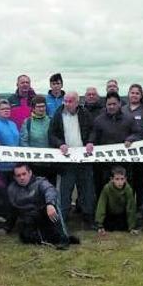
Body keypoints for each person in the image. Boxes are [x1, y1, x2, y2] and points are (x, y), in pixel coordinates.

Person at [7, 163, 79, 250]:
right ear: (15, 177)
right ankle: (52, 240)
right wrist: (7, 227)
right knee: (25, 237)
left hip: (44, 214)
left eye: (24, 174)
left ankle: (63, 238)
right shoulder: (11, 189)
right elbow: (12, 210)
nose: (22, 177)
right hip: (28, 218)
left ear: (30, 173)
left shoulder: (40, 182)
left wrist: (50, 204)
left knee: (53, 206)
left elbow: (50, 190)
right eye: (18, 175)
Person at [48, 91, 95, 224]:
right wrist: (60, 143)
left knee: (86, 189)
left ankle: (89, 217)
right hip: (66, 160)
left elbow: (93, 130)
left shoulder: (85, 114)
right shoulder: (58, 115)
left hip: (84, 159)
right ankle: (63, 217)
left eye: (70, 101)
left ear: (77, 102)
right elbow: (51, 134)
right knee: (64, 190)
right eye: (65, 101)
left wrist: (91, 141)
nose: (67, 104)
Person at [90, 91, 143, 197]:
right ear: (105, 105)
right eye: (109, 104)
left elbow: (138, 133)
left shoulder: (129, 119)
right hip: (104, 165)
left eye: (114, 104)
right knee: (104, 191)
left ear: (119, 104)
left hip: (124, 164)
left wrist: (131, 139)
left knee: (125, 192)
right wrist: (90, 143)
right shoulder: (98, 120)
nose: (111, 107)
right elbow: (93, 136)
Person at [122, 84, 143, 207]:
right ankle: (128, 206)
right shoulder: (123, 109)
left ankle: (140, 206)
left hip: (142, 152)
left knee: (140, 181)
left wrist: (142, 144)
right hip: (126, 151)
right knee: (128, 180)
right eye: (132, 93)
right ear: (128, 94)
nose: (134, 95)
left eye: (137, 93)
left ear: (141, 95)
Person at [0, 100, 20, 223]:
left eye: (8, 108)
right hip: (0, 165)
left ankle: (10, 215)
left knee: (12, 192)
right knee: (0, 192)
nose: (7, 110)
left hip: (13, 164)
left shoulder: (13, 124)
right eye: (3, 109)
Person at [95, 166, 138, 235]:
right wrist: (99, 225)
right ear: (112, 179)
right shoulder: (106, 189)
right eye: (117, 179)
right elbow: (101, 206)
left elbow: (130, 208)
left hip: (122, 215)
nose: (120, 182)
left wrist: (132, 227)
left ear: (125, 179)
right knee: (109, 226)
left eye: (122, 179)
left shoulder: (128, 189)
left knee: (124, 226)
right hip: (110, 215)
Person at [20, 95, 54, 182]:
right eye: (38, 107)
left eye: (43, 106)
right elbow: (24, 142)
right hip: (34, 164)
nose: (41, 109)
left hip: (50, 163)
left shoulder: (51, 121)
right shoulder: (28, 122)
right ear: (33, 108)